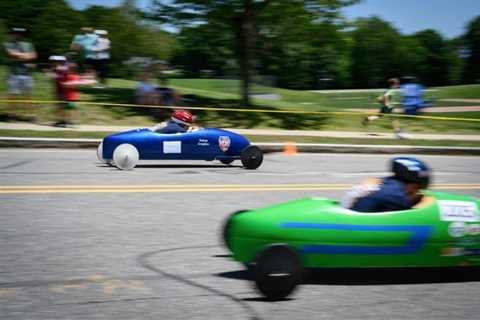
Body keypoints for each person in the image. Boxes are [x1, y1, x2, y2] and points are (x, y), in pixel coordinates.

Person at [341, 157, 431, 213]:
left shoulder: (385, 181)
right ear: (413, 186)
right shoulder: (397, 196)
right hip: (357, 226)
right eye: (418, 190)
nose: (417, 193)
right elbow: (413, 216)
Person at [3, 27, 37, 121]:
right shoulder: (7, 44)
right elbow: (11, 54)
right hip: (14, 74)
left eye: (20, 33)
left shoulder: (29, 44)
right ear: (12, 34)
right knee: (13, 95)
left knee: (28, 95)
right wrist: (26, 56)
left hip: (27, 74)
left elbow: (34, 56)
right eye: (16, 33)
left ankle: (31, 115)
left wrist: (18, 55)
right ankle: (12, 115)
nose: (18, 35)